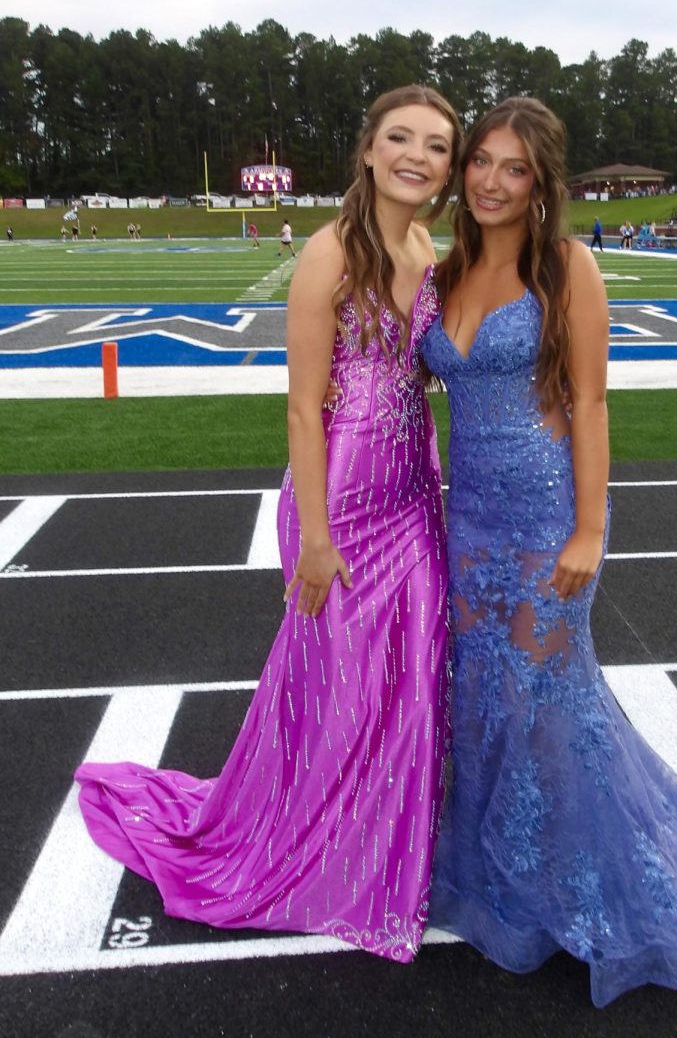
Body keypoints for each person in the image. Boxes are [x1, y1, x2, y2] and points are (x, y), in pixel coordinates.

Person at [75, 85, 463, 961]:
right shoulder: (332, 250)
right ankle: (316, 848)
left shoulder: (422, 242)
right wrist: (317, 539)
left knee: (409, 678)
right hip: (343, 496)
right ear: (366, 150)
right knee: (339, 683)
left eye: (435, 145)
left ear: (447, 165)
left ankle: (381, 850)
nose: (416, 154)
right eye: (399, 137)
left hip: (412, 485)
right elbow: (299, 409)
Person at [420, 97, 677, 1008]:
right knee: (482, 703)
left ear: (542, 182)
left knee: (548, 705)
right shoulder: (444, 272)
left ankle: (587, 891)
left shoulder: (567, 267)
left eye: (515, 168)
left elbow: (590, 403)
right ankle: (505, 875)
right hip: (466, 521)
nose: (493, 181)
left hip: (549, 518)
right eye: (482, 162)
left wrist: (590, 529)